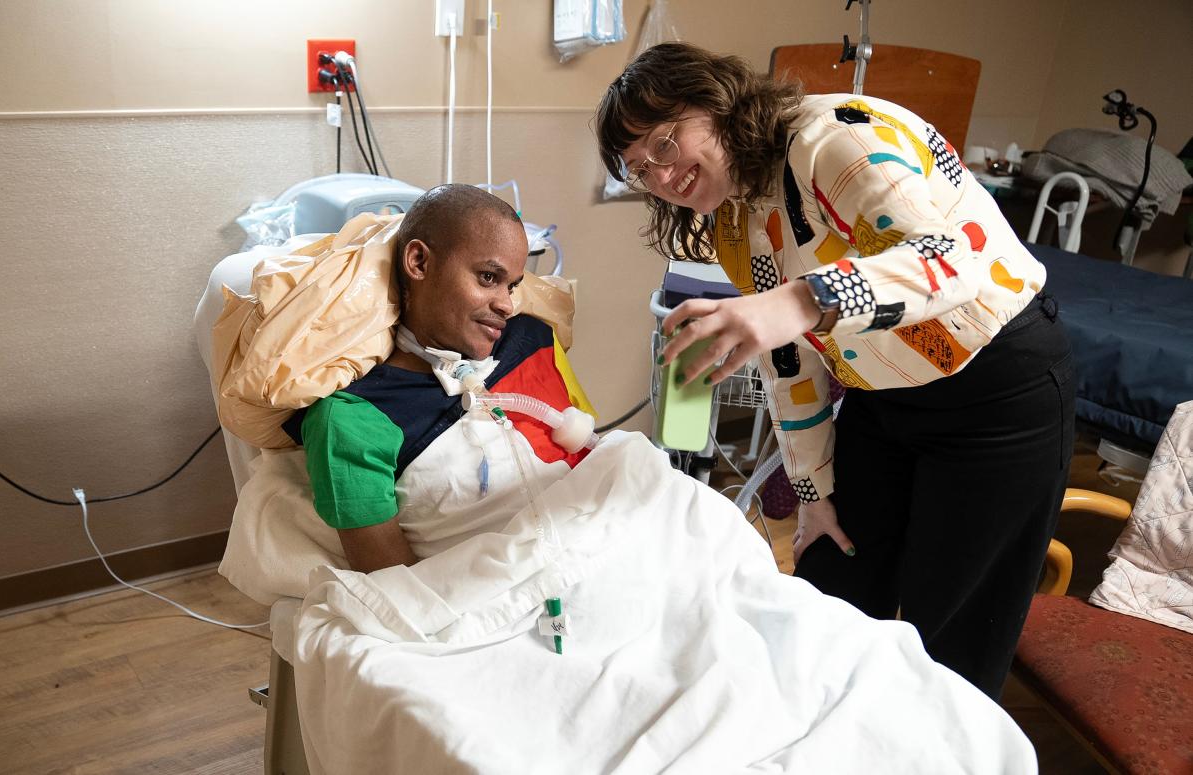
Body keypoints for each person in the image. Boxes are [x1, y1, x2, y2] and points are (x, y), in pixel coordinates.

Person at [595, 42, 1074, 700]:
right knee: (829, 585)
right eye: (638, 167)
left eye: (666, 142)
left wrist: (797, 300)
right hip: (886, 399)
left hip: (994, 391)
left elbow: (954, 259)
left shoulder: (835, 137)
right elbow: (791, 360)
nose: (659, 172)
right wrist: (814, 491)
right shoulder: (736, 222)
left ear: (716, 102)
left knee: (952, 641)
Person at [282, 184, 594, 574]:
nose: (507, 304)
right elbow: (393, 585)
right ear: (419, 262)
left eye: (511, 285)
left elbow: (591, 457)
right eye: (487, 277)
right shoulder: (351, 420)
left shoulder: (534, 340)